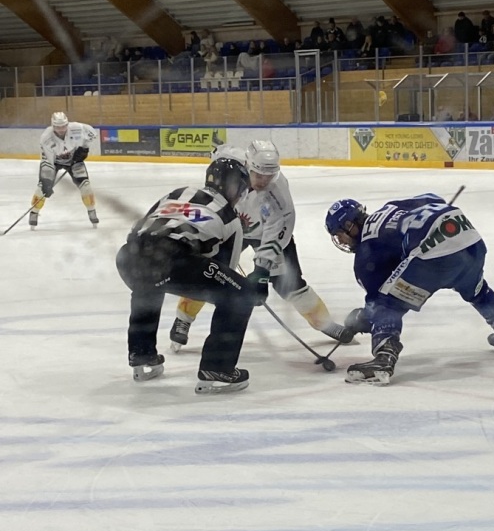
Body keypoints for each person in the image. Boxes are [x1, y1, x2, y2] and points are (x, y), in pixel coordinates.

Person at [324, 194, 494, 386]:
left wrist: (361, 318)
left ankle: (383, 359)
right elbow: (433, 198)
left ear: (350, 225)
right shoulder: (390, 207)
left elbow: (379, 303)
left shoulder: (365, 254)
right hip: (469, 237)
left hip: (436, 254)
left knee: (387, 303)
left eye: (339, 234)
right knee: (477, 289)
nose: (341, 241)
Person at [170, 140, 351, 350]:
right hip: (230, 227)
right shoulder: (230, 164)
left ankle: (325, 323)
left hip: (268, 234)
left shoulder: (279, 193)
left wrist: (262, 272)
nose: (264, 181)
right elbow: (217, 155)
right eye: (259, 174)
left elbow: (278, 233)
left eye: (269, 175)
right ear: (247, 166)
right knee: (210, 271)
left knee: (290, 284)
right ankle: (183, 318)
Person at [116, 157, 263, 394]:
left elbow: (140, 227)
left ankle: (142, 355)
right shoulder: (230, 218)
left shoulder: (178, 192)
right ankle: (218, 368)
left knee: (148, 286)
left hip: (128, 258)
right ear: (233, 185)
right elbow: (224, 272)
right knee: (241, 294)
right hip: (171, 262)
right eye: (241, 188)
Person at [28, 111, 98, 229]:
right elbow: (47, 162)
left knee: (86, 186)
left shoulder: (77, 128)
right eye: (57, 127)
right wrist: (47, 182)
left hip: (74, 160)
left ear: (67, 123)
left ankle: (92, 211)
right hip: (54, 162)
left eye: (63, 126)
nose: (61, 129)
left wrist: (84, 148)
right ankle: (34, 212)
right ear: (52, 126)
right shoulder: (46, 138)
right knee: (42, 188)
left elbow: (92, 133)